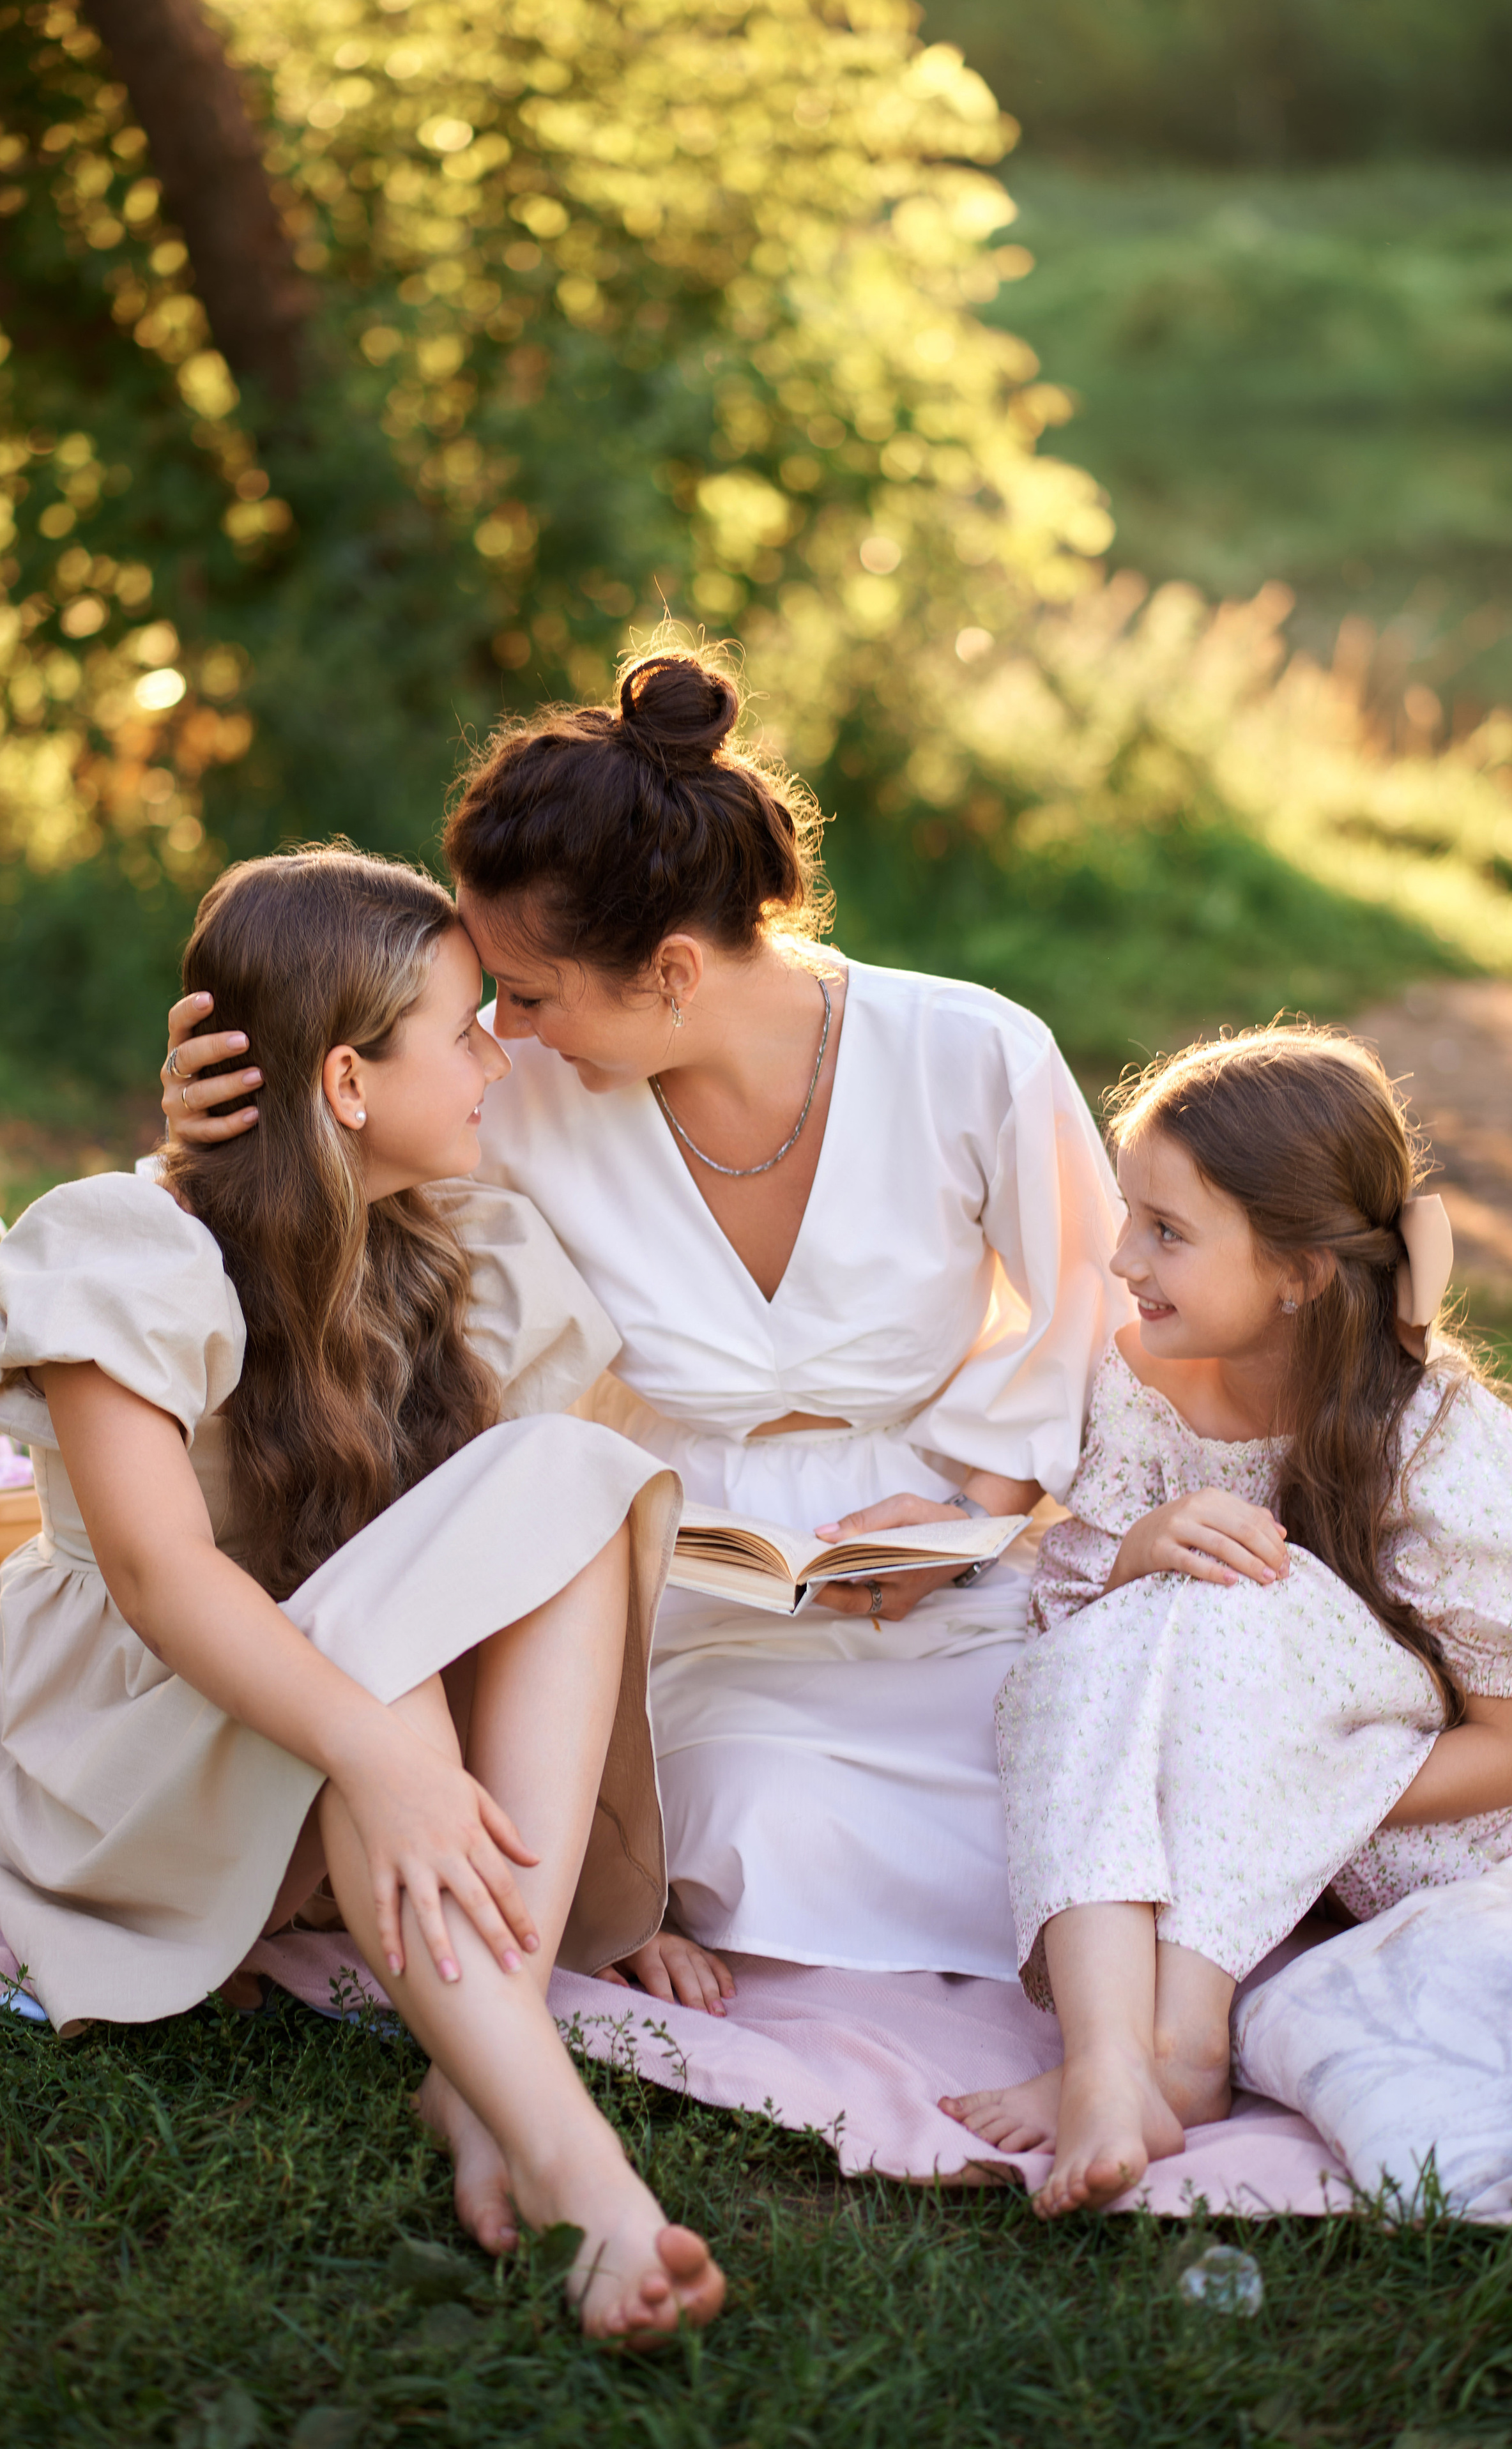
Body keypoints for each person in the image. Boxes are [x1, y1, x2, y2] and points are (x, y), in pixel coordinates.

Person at [161, 648, 1131, 1999]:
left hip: (939, 1540)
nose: (502, 1026)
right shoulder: (521, 1095)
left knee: (1070, 1759)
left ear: (670, 971)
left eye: (534, 991)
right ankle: (662, 1869)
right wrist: (225, 1135)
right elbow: (337, 1227)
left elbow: (1097, 1300)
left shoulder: (970, 1054)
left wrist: (961, 1509)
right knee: (746, 1808)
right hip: (674, 1572)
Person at [0, 847, 723, 2340]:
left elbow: (515, 1579)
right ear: (349, 1085)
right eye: (461, 1031)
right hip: (135, 1750)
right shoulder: (129, 1246)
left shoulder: (466, 1246)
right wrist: (383, 1753)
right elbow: (163, 1579)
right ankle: (582, 2169)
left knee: (561, 1479)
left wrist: (609, 1861)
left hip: (344, 1731)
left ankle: (473, 2066)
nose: (499, 1059)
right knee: (412, 1641)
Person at [941, 1026, 1512, 2216]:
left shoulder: (1440, 1441)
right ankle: (1113, 2059)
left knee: (1254, 1594)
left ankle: (1187, 2045)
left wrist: (1278, 1771)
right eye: (1128, 1216)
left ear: (1299, 1273)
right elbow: (1074, 1639)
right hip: (1224, 1776)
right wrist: (1141, 1553)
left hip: (1406, 1814)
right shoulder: (1141, 1380)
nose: (1120, 1258)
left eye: (1166, 1230)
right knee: (1122, 1624)